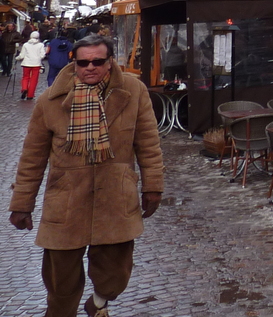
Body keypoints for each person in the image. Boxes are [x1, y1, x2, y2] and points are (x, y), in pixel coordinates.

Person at [9, 33, 164, 317]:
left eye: (97, 61)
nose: (89, 67)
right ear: (75, 63)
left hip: (116, 197)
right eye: (83, 62)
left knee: (116, 273)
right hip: (66, 198)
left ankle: (99, 302)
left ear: (109, 62)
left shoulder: (134, 91)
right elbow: (32, 157)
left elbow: (148, 143)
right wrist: (22, 204)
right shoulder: (51, 99)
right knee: (61, 281)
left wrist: (152, 186)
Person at [17, 30, 46, 101]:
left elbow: (22, 55)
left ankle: (24, 88)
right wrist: (38, 57)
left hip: (26, 63)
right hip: (36, 64)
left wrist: (17, 58)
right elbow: (42, 55)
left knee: (25, 77)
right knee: (34, 80)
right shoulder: (41, 45)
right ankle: (30, 95)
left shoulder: (25, 44)